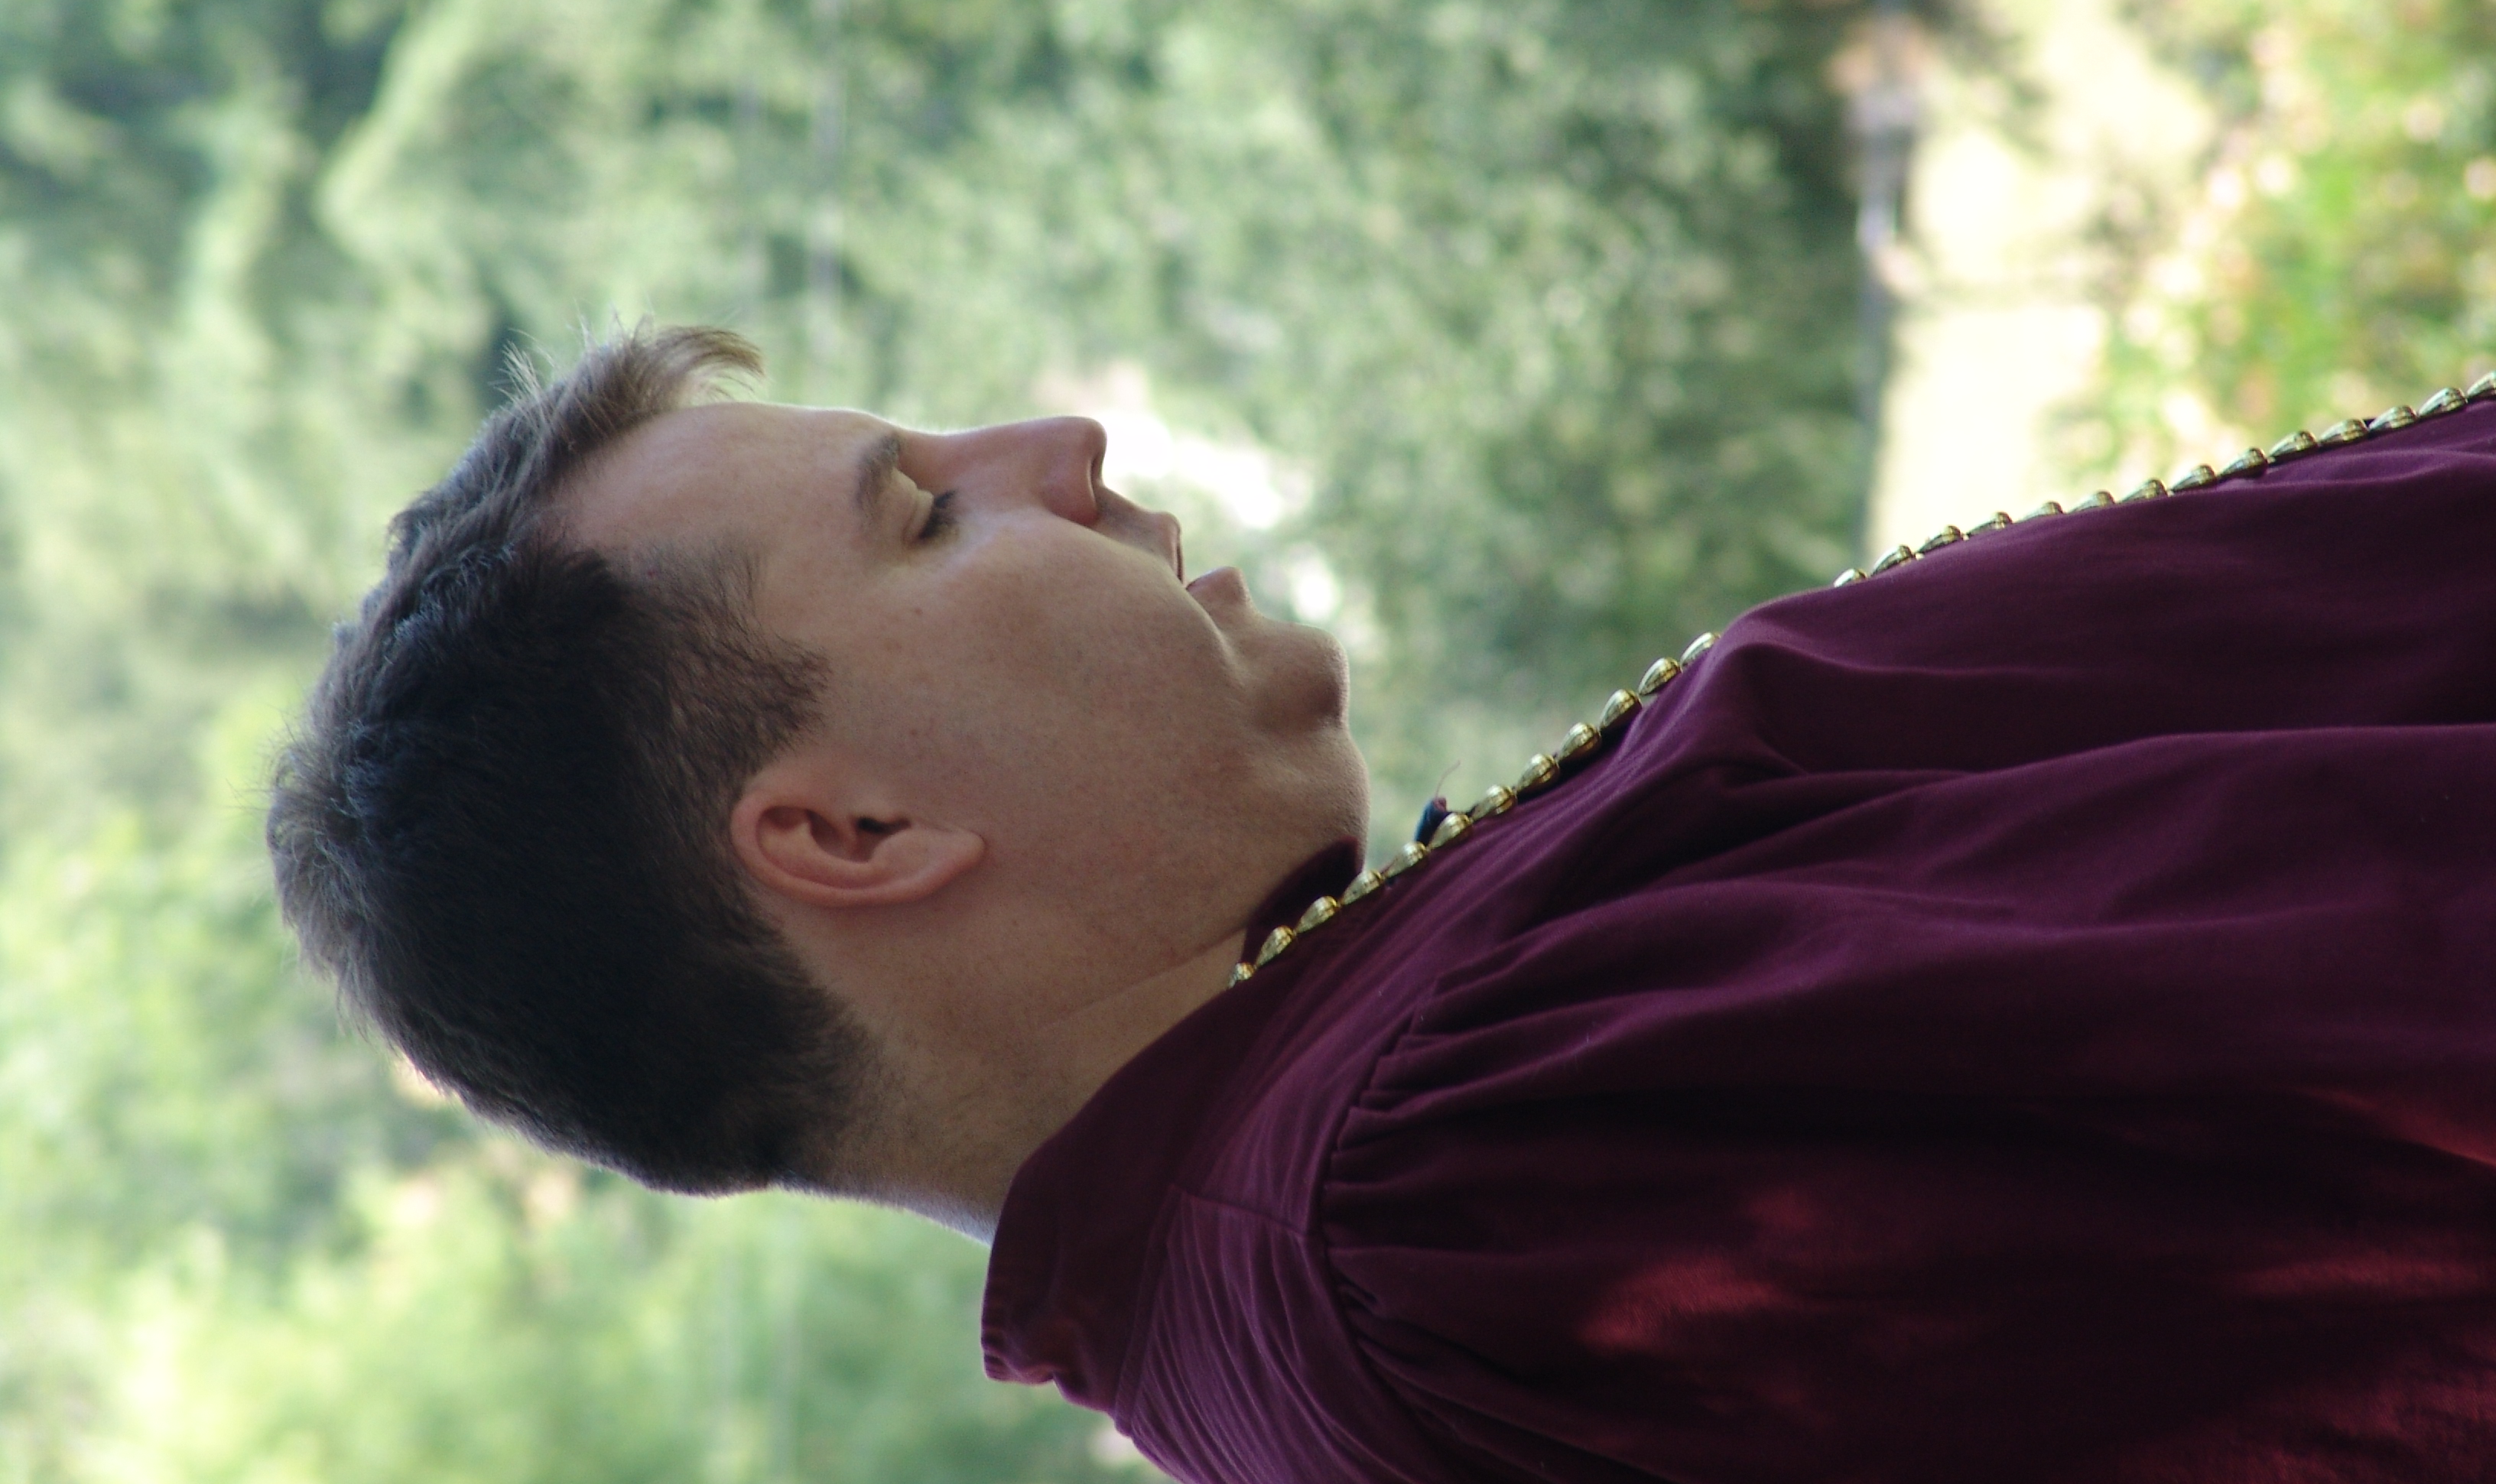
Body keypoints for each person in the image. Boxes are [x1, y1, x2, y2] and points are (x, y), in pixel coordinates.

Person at [268, 324, 2496, 1483]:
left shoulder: (1345, 1189)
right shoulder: (1436, 1195)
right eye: (926, 517)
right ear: (851, 834)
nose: (1060, 452)